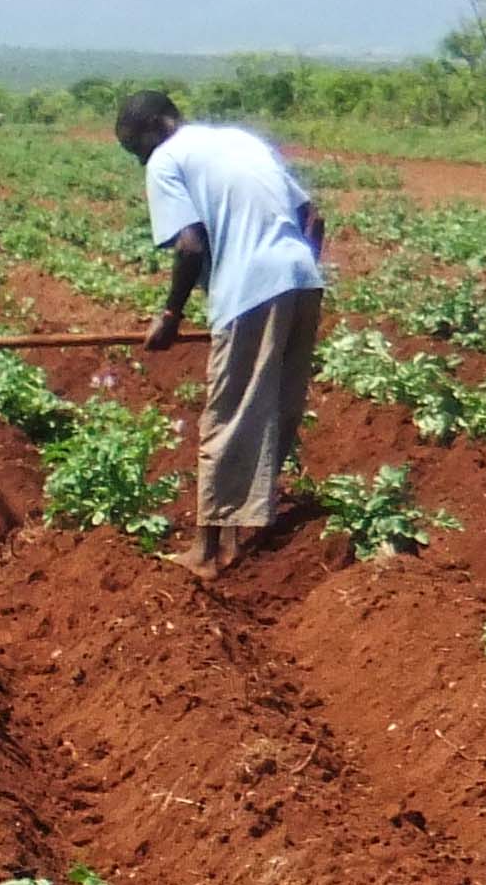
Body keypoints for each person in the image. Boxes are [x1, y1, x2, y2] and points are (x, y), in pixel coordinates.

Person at [118, 90, 328, 577]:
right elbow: (313, 217)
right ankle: (237, 536)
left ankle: (208, 552)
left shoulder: (167, 159)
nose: (141, 161)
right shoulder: (238, 140)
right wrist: (293, 271)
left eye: (137, 150)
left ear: (156, 127)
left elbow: (191, 246)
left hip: (251, 289)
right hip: (303, 279)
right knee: (273, 407)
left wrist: (170, 316)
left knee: (228, 415)